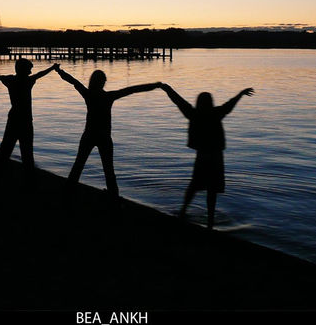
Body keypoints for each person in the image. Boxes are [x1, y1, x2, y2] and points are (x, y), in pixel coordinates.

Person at [56, 67, 163, 204]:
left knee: (78, 165)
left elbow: (73, 81)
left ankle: (68, 193)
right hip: (104, 137)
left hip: (89, 135)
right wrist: (155, 85)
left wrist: (59, 71)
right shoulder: (108, 96)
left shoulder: (89, 94)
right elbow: (132, 90)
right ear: (103, 82)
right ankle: (113, 197)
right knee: (108, 170)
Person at [161, 83, 254, 229]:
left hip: (202, 156)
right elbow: (230, 104)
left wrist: (167, 89)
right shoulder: (216, 113)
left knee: (194, 185)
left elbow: (178, 100)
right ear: (211, 102)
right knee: (212, 189)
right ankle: (210, 220)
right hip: (216, 157)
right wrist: (241, 93)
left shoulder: (193, 114)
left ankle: (183, 211)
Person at [0, 59, 58, 180]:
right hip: (25, 120)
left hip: (13, 118)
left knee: (6, 148)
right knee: (26, 151)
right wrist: (52, 68)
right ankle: (28, 177)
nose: (31, 72)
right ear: (24, 69)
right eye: (29, 69)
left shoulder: (11, 80)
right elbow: (41, 74)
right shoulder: (28, 81)